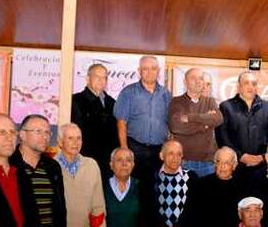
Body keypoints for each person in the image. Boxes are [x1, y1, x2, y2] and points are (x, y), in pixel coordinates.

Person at [114, 55, 170, 186]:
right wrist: (124, 148)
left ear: (158, 70)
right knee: (135, 187)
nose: (150, 72)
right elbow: (121, 122)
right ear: (139, 71)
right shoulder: (128, 92)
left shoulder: (166, 94)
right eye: (145, 69)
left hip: (159, 151)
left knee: (157, 189)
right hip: (135, 148)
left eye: (153, 68)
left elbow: (170, 121)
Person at [215, 70, 268, 174]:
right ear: (238, 86)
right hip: (234, 166)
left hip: (262, 166)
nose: (250, 86)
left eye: (253, 83)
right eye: (246, 83)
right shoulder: (226, 107)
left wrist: (262, 157)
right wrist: (241, 156)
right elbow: (222, 137)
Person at [168, 67, 223, 178]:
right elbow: (175, 126)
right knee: (185, 195)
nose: (198, 81)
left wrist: (191, 117)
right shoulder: (176, 101)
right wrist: (205, 125)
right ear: (185, 82)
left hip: (208, 162)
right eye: (193, 78)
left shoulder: (210, 101)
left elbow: (218, 119)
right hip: (184, 161)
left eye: (201, 78)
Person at [71, 63, 118, 179]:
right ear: (87, 79)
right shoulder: (76, 101)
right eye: (97, 76)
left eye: (104, 77)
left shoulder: (112, 103)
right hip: (85, 159)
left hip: (108, 163)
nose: (101, 80)